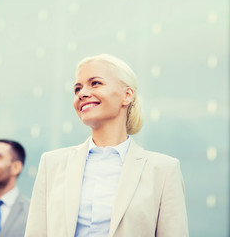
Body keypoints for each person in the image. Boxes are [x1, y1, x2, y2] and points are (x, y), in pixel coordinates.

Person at [25, 54, 188, 237]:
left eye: (95, 83)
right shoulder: (51, 164)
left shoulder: (164, 170)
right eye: (77, 89)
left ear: (127, 95)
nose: (82, 94)